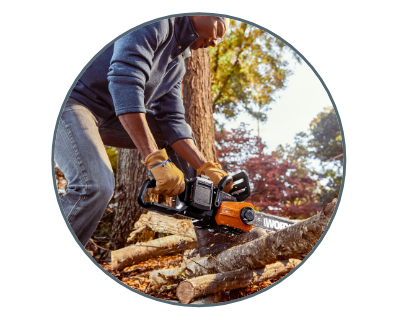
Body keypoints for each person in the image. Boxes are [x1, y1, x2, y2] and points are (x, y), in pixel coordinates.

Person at [55, 15, 232, 246]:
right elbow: (124, 81)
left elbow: (172, 121)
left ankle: (211, 230)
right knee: (95, 186)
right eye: (220, 27)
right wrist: (155, 160)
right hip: (74, 102)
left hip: (109, 115)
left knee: (177, 137)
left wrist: (205, 167)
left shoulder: (176, 64)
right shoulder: (156, 24)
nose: (216, 42)